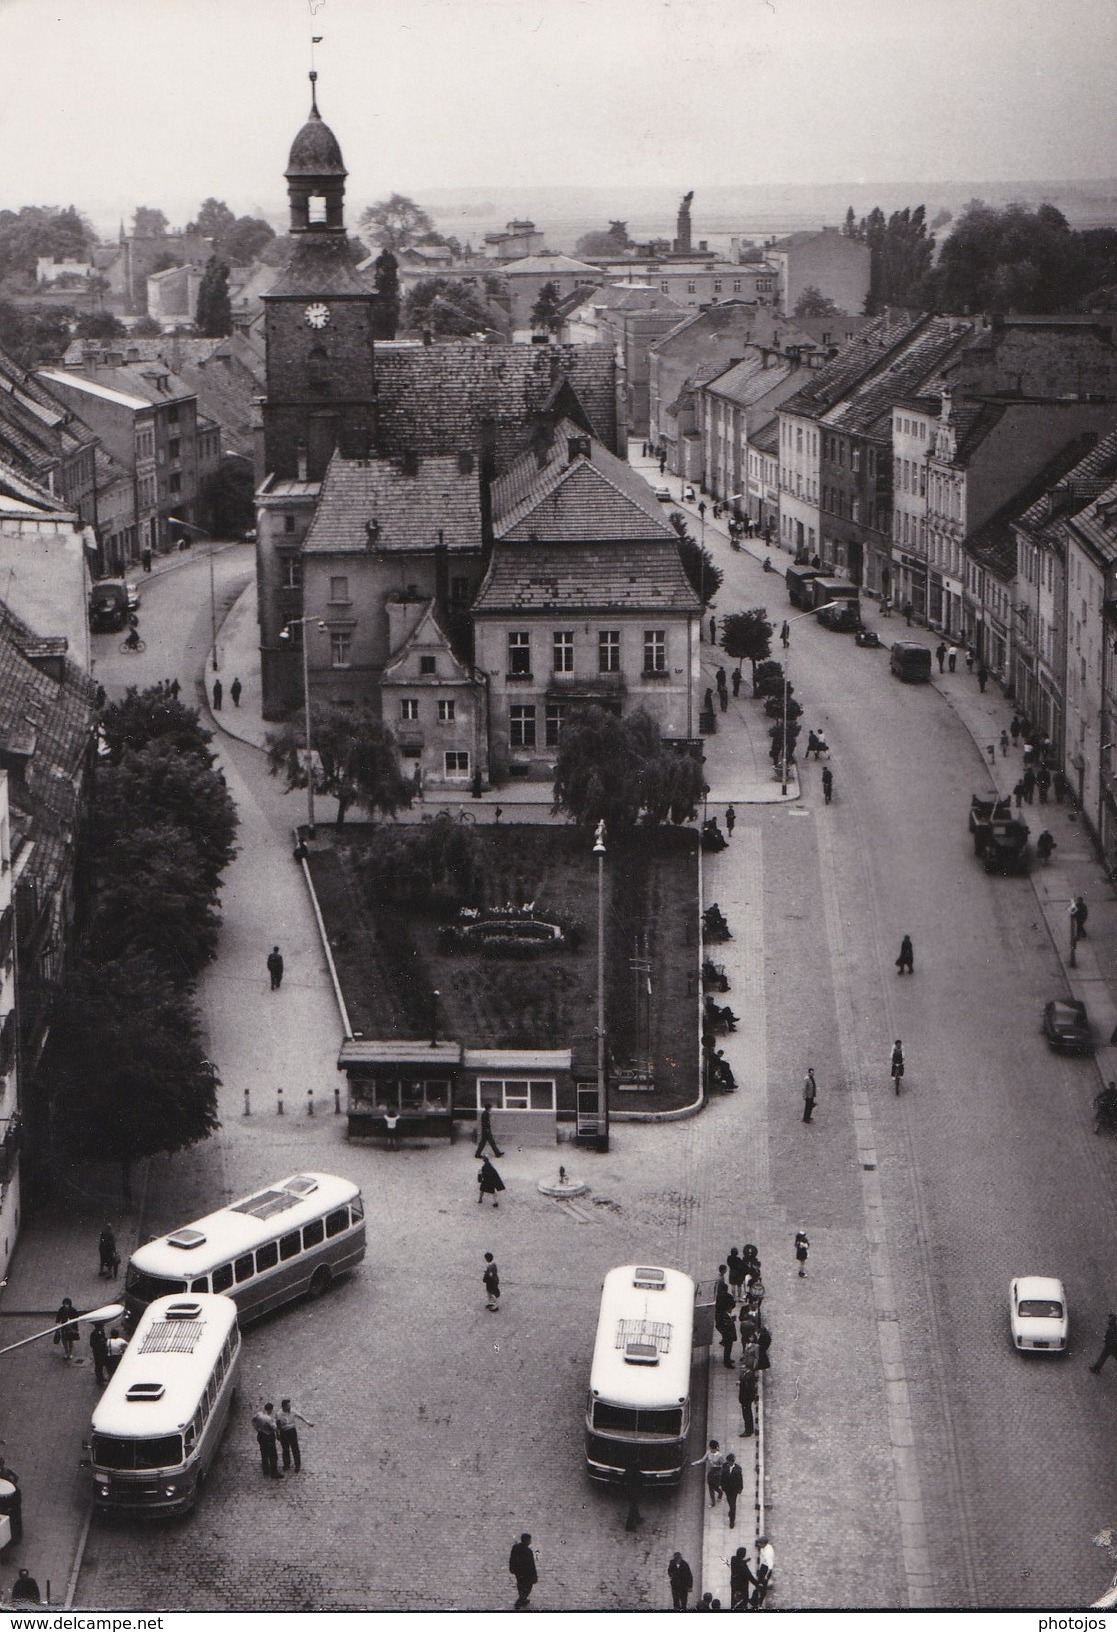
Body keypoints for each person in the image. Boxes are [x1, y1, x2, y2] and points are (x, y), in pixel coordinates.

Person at [276, 1398, 313, 1472]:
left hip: (292, 1431)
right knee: (285, 1448)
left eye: (289, 1405)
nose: (289, 1407)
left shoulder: (293, 1411)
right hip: (284, 1431)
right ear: (284, 1407)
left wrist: (308, 1422)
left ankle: (297, 1465)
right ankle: (286, 1464)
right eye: (288, 1406)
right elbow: (277, 1424)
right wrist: (278, 1434)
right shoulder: (279, 1414)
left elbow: (300, 1416)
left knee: (295, 1448)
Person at [252, 1402, 282, 1477]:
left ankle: (266, 1469)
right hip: (268, 1436)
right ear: (270, 1410)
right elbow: (274, 1428)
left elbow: (253, 1421)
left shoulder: (258, 1414)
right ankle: (274, 1472)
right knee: (272, 1455)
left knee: (264, 1453)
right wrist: (278, 1435)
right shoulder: (269, 1419)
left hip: (260, 1435)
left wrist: (257, 1429)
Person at [509, 1533, 538, 1608]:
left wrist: (511, 1568)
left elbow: (511, 1558)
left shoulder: (515, 1547)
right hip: (526, 1574)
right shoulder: (528, 1551)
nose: (530, 1541)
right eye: (529, 1540)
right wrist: (534, 1577)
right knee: (528, 1587)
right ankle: (521, 1600)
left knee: (520, 1585)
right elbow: (531, 1565)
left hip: (518, 1572)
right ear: (526, 1541)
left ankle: (522, 1598)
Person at [693, 1439, 724, 1507]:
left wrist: (716, 1465)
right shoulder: (708, 1453)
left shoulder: (720, 1456)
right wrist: (695, 1463)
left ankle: (720, 1493)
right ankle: (713, 1503)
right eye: (710, 1448)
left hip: (717, 1473)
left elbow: (722, 1465)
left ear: (716, 1448)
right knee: (710, 1488)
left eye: (712, 1449)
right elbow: (703, 1460)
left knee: (715, 1486)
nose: (711, 1450)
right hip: (710, 1472)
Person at [721, 1451, 744, 1526]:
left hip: (734, 1490)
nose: (729, 1463)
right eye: (728, 1462)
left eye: (730, 1462)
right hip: (727, 1489)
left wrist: (740, 1488)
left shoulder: (738, 1469)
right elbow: (722, 1476)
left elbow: (740, 1479)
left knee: (733, 1505)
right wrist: (722, 1486)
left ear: (733, 1461)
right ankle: (731, 1512)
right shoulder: (725, 1466)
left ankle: (732, 1521)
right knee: (730, 1503)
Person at [753, 1537, 776, 1609]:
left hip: (766, 1569)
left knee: (763, 1586)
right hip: (763, 1565)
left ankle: (760, 1603)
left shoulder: (768, 1553)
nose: (759, 1544)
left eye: (760, 1544)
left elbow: (770, 1567)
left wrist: (766, 1577)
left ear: (764, 1544)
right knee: (759, 1583)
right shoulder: (766, 1547)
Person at [54, 1297, 79, 1361]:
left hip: (71, 1327)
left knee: (70, 1340)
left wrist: (71, 1322)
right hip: (64, 1327)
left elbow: (76, 1318)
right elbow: (58, 1318)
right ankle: (66, 1351)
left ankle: (70, 1352)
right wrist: (57, 1324)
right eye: (65, 1304)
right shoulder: (61, 1310)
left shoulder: (73, 1310)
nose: (66, 1305)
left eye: (67, 1304)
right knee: (64, 1339)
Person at [622, 1461, 644, 1530]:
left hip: (628, 1491)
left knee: (633, 1506)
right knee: (633, 1508)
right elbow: (641, 1483)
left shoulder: (628, 1472)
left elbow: (623, 1479)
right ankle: (629, 1525)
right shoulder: (639, 1475)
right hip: (635, 1492)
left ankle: (637, 1518)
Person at [737, 1368, 758, 1438]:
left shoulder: (748, 1378)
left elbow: (747, 1388)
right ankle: (750, 1429)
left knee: (746, 1415)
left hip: (746, 1400)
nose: (742, 1368)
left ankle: (748, 1431)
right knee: (748, 1414)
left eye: (744, 1367)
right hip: (747, 1399)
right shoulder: (748, 1375)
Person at [89, 1320, 110, 1385]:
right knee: (98, 1365)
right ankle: (99, 1379)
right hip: (97, 1352)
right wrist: (99, 1342)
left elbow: (104, 1338)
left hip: (103, 1351)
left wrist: (106, 1340)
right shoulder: (93, 1334)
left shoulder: (102, 1332)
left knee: (103, 1364)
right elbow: (92, 1344)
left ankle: (101, 1377)